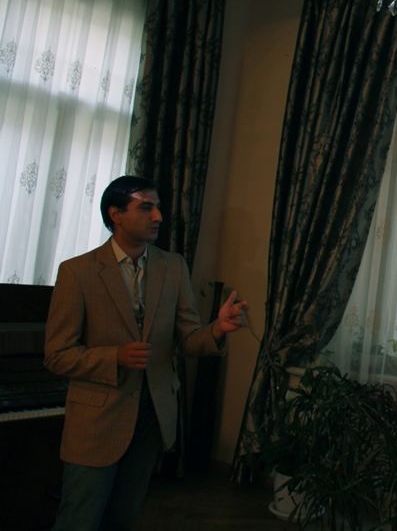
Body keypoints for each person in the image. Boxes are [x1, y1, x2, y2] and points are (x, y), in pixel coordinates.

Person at [44, 176, 248, 529]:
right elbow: (57, 354)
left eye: (158, 207)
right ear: (116, 214)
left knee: (124, 517)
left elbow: (187, 340)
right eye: (146, 207)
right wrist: (114, 357)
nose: (158, 217)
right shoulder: (77, 272)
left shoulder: (173, 267)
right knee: (80, 517)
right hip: (96, 422)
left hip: (153, 417)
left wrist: (217, 329)